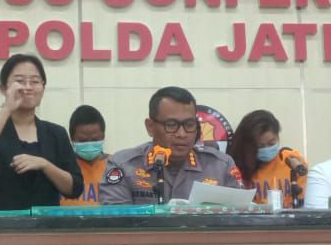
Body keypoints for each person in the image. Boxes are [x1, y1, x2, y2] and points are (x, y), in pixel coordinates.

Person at [0, 54, 82, 210]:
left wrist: (45, 165)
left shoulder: (56, 133)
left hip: (44, 223)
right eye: (20, 81)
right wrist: (7, 108)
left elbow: (75, 188)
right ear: (4, 89)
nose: (28, 87)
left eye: (35, 81)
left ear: (43, 88)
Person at [99, 86, 243, 205]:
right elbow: (117, 221)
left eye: (189, 124)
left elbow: (239, 218)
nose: (182, 134)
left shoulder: (221, 166)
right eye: (171, 125)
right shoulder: (123, 165)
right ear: (150, 127)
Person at [227, 109, 307, 208]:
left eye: (271, 143)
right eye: (260, 146)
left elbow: (302, 202)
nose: (266, 149)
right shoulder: (237, 168)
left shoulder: (293, 162)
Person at [60, 105, 109, 207]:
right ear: (72, 139)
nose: (89, 144)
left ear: (103, 136)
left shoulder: (116, 165)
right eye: (83, 140)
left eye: (95, 139)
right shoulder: (60, 167)